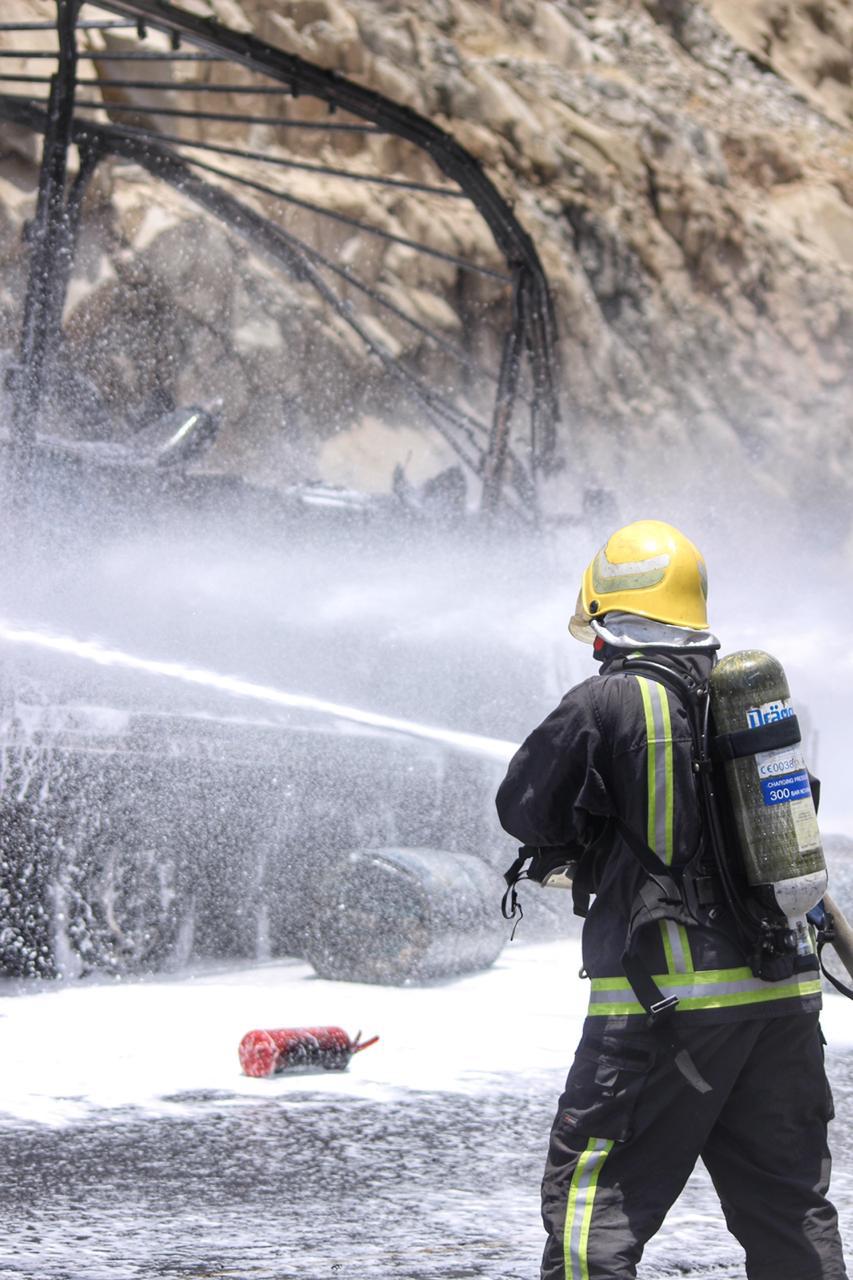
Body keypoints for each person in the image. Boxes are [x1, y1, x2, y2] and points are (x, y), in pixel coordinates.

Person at [495, 519, 847, 1280]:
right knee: (789, 1216)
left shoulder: (606, 702)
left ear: (606, 611)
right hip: (782, 1002)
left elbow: (525, 808)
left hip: (665, 1010)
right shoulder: (747, 699)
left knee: (594, 1213)